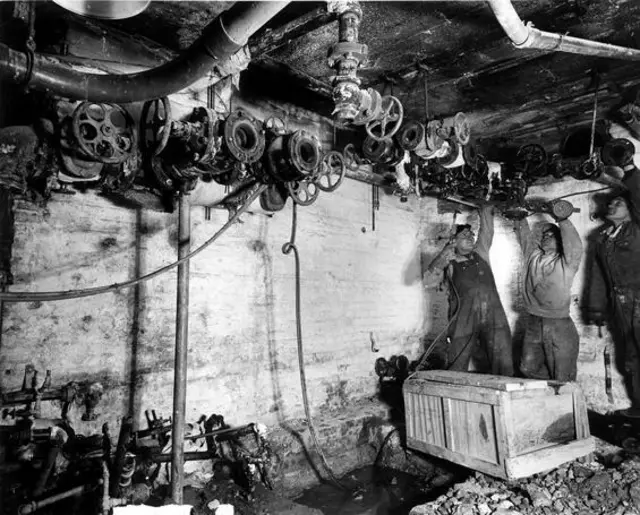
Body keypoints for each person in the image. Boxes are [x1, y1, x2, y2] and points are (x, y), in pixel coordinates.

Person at [426, 205, 513, 376]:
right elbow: (428, 281)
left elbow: (487, 232)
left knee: (503, 358)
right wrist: (445, 253)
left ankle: (505, 393)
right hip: (463, 318)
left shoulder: (481, 253)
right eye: (464, 235)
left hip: (493, 315)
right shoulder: (449, 262)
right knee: (457, 360)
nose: (470, 237)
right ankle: (454, 395)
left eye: (471, 235)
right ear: (453, 242)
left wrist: (485, 209)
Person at [588, 162, 640, 417]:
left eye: (618, 203)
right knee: (631, 357)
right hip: (620, 304)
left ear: (632, 211)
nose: (611, 205)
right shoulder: (602, 239)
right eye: (610, 203)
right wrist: (596, 309)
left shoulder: (637, 229)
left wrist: (629, 170)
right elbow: (597, 275)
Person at [515, 210, 583, 382]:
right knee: (527, 367)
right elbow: (524, 235)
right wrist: (519, 217)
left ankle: (563, 403)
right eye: (545, 235)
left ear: (560, 242)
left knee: (562, 375)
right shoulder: (533, 256)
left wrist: (562, 219)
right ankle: (549, 399)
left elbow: (574, 245)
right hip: (533, 321)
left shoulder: (567, 262)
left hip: (558, 323)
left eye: (552, 235)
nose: (546, 237)